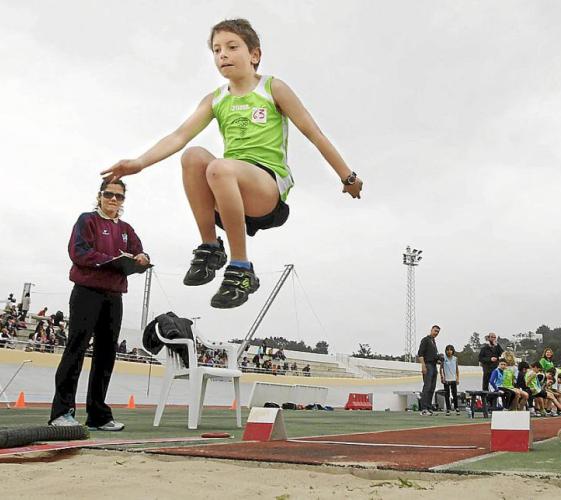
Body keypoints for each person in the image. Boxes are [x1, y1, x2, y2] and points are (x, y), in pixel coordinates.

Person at [101, 18, 363, 310]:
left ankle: (241, 268)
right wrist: (139, 162)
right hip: (227, 192)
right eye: (216, 50)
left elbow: (314, 133)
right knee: (193, 155)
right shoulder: (216, 99)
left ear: (254, 55)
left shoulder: (272, 88)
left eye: (232, 47)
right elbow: (179, 136)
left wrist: (348, 178)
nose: (222, 54)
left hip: (266, 188)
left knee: (219, 167)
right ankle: (211, 247)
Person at [49, 179, 149, 431]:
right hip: (87, 292)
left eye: (119, 196)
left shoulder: (126, 229)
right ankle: (61, 411)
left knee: (106, 354)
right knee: (76, 348)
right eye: (108, 194)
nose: (113, 199)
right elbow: (78, 252)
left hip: (114, 295)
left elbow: (139, 252)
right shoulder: (87, 220)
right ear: (100, 196)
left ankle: (98, 415)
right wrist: (111, 260)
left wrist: (142, 258)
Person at [417, 325, 440, 415]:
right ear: (431, 330)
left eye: (438, 332)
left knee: (432, 387)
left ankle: (429, 407)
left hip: (434, 365)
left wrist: (438, 359)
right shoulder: (425, 340)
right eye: (435, 331)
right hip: (427, 365)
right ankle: (424, 409)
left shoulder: (433, 341)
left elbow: (432, 355)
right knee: (427, 386)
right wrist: (423, 365)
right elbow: (420, 354)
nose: (436, 333)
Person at [439, 344, 460, 415]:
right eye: (448, 350)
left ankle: (456, 408)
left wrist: (457, 378)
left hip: (453, 379)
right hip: (446, 379)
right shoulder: (443, 358)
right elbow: (441, 369)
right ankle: (448, 409)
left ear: (453, 351)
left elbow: (457, 369)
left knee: (454, 394)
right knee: (447, 395)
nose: (449, 351)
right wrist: (442, 377)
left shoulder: (455, 359)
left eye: (450, 350)